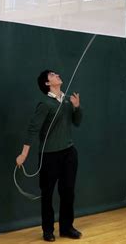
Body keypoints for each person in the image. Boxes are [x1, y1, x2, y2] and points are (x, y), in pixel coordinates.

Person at [16, 70, 83, 242]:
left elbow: (77, 122)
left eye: (56, 74)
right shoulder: (45, 103)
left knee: (68, 192)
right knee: (47, 194)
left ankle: (67, 228)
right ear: (47, 83)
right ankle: (47, 230)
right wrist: (24, 154)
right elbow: (33, 129)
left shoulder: (68, 101)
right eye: (53, 75)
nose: (57, 75)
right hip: (49, 156)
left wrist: (76, 107)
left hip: (69, 153)